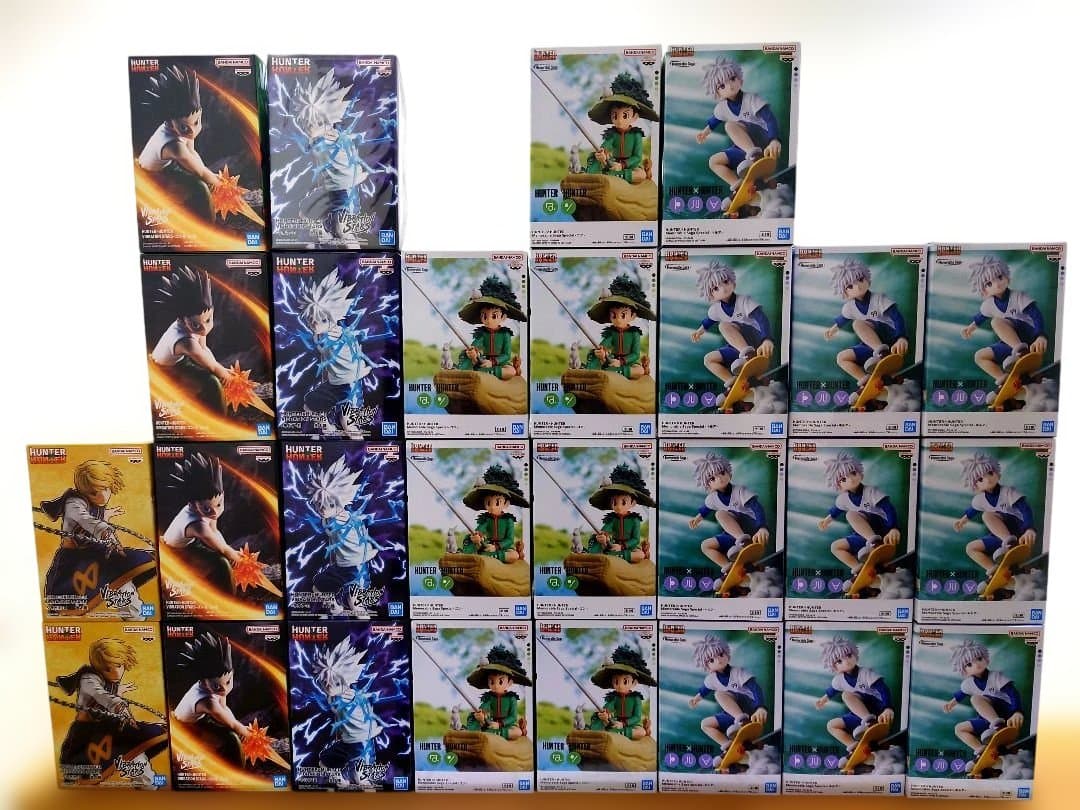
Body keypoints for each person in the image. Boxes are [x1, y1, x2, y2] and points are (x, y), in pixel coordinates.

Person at [39, 460, 156, 619]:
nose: (102, 495)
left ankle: (137, 618)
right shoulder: (73, 503)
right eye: (94, 492)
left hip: (98, 553)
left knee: (121, 577)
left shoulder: (94, 503)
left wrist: (107, 515)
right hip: (76, 560)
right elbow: (86, 520)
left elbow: (94, 518)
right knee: (71, 599)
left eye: (105, 489)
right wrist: (106, 532)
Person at [55, 637, 167, 787]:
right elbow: (100, 695)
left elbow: (105, 696)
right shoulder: (88, 678)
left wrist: (118, 692)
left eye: (119, 666)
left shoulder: (109, 682)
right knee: (76, 776)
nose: (116, 672)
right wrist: (119, 704)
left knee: (135, 753)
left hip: (110, 729)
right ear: (98, 667)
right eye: (108, 668)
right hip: (87, 734)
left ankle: (148, 786)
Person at [695, 56, 783, 211]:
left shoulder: (752, 99)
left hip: (762, 140)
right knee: (714, 161)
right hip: (743, 147)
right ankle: (739, 188)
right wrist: (704, 133)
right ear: (717, 93)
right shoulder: (722, 108)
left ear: (740, 79)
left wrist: (774, 140)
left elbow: (770, 119)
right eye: (722, 85)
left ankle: (754, 155)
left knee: (730, 125)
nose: (730, 86)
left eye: (732, 79)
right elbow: (714, 121)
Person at [137, 65, 221, 219]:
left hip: (167, 165)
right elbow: (200, 172)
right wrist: (220, 184)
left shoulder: (181, 130)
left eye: (196, 122)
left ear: (200, 112)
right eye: (184, 127)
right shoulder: (174, 147)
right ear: (170, 123)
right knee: (201, 188)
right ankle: (209, 226)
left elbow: (192, 153)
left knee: (205, 179)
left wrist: (211, 176)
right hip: (152, 176)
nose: (192, 131)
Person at [961, 255, 1047, 398]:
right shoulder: (989, 304)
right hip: (1011, 343)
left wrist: (1041, 335)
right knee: (980, 356)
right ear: (984, 291)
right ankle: (1005, 381)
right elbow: (980, 317)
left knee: (996, 322)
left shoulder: (1018, 296)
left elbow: (1036, 315)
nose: (997, 284)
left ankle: (1022, 352)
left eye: (1000, 277)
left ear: (1007, 277)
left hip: (1029, 336)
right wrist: (970, 328)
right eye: (989, 283)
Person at [823, 257, 908, 394]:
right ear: (844, 292)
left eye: (860, 279)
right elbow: (843, 319)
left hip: (890, 337)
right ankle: (868, 382)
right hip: (872, 344)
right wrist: (833, 330)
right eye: (850, 286)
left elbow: (897, 317)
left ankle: (883, 354)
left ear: (867, 279)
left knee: (858, 323)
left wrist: (901, 337)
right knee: (842, 358)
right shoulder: (850, 307)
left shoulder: (879, 299)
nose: (857, 286)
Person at [954, 452, 1036, 592]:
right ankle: (996, 573)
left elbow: (1025, 509)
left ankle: (1010, 543)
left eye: (990, 473)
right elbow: (973, 510)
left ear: (997, 473)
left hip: (1018, 530)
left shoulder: (1008, 492)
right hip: (1000, 536)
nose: (987, 479)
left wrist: (1029, 529)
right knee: (971, 548)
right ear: (976, 486)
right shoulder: (980, 499)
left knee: (987, 515)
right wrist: (963, 520)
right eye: (980, 479)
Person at [690, 261, 774, 391]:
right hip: (738, 347)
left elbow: (761, 318)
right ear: (711, 295)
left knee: (724, 326)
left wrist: (767, 339)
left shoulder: (744, 301)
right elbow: (708, 321)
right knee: (709, 359)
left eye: (725, 282)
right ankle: (735, 384)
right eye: (716, 288)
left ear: (733, 282)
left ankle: (749, 355)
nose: (723, 288)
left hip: (755, 340)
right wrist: (699, 331)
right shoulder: (716, 309)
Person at [943, 639, 1024, 773]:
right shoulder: (968, 683)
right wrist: (951, 703)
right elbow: (961, 694)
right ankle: (982, 751)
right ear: (964, 671)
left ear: (986, 658)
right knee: (959, 729)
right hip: (987, 720)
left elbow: (1013, 693)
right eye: (969, 664)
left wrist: (1017, 711)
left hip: (1004, 712)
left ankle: (998, 726)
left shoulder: (996, 676)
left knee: (975, 698)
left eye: (979, 659)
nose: (977, 664)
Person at [818, 451, 900, 581]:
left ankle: (875, 543)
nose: (851, 479)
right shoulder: (843, 499)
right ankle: (860, 570)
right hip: (863, 535)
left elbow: (888, 509)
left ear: (860, 473)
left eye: (853, 473)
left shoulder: (871, 491)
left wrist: (893, 528)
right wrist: (826, 520)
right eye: (843, 479)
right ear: (839, 485)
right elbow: (836, 510)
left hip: (881, 528)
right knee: (836, 547)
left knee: (851, 514)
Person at [814, 635, 894, 769]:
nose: (846, 661)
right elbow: (832, 691)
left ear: (855, 654)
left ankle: (870, 722)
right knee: (831, 725)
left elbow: (883, 689)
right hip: (859, 713)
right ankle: (856, 749)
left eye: (849, 655)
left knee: (846, 695)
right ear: (834, 667)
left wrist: (888, 708)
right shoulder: (839, 679)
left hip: (876, 709)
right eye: (839, 661)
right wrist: (823, 700)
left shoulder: (866, 673)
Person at [687, 452, 769, 575]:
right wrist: (697, 518)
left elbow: (757, 508)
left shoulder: (740, 491)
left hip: (751, 528)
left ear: (729, 472)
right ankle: (730, 569)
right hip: (734, 534)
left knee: (720, 514)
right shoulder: (712, 498)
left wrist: (762, 527)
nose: (719, 478)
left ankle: (744, 542)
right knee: (706, 545)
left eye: (722, 473)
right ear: (707, 484)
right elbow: (706, 508)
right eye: (712, 478)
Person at [687, 634, 767, 751]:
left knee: (719, 694)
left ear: (727, 654)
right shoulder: (711, 679)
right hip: (733, 713)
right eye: (712, 660)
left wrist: (760, 707)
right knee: (705, 724)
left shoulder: (738, 672)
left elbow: (756, 688)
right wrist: (695, 699)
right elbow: (704, 690)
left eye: (721, 655)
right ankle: (730, 747)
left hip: (749, 706)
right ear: (707, 666)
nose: (718, 660)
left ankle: (743, 721)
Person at [584, 72, 659, 184]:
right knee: (595, 158)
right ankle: (602, 175)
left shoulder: (636, 135)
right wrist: (602, 154)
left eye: (625, 115)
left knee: (641, 175)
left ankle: (617, 176)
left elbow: (637, 157)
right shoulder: (612, 134)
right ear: (611, 116)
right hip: (612, 164)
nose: (619, 120)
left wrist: (622, 165)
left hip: (629, 167)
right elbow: (605, 146)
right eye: (615, 115)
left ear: (634, 116)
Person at [584, 274, 656, 380]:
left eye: (623, 315)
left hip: (628, 364)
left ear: (632, 316)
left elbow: (635, 354)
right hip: (612, 362)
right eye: (614, 315)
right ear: (609, 316)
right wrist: (601, 353)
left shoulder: (634, 334)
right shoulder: (611, 333)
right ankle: (611, 372)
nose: (618, 319)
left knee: (639, 371)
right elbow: (603, 345)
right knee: (601, 364)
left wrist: (622, 362)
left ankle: (618, 372)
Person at [455, 277, 526, 379]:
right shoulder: (482, 334)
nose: (488, 320)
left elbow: (506, 355)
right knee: (472, 361)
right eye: (484, 316)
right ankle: (480, 372)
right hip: (484, 362)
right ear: (481, 317)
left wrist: (493, 362)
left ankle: (488, 373)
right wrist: (473, 353)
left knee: (511, 371)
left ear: (503, 317)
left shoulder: (505, 334)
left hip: (500, 364)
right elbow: (475, 346)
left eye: (494, 316)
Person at [586, 463, 655, 563]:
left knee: (640, 555)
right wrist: (603, 537)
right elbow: (605, 531)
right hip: (613, 547)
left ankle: (615, 557)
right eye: (614, 502)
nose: (618, 507)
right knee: (595, 537)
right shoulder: (612, 519)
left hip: (629, 549)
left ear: (633, 503)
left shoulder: (634, 520)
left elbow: (635, 539)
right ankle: (601, 555)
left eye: (623, 502)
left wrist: (622, 546)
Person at [460, 465, 530, 563]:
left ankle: (492, 557)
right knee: (472, 541)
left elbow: (509, 539)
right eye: (488, 503)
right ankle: (481, 555)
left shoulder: (508, 520)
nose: (492, 507)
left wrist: (497, 547)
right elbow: (480, 529)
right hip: (488, 546)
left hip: (503, 549)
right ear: (484, 504)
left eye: (497, 503)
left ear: (506, 503)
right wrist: (477, 536)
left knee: (514, 555)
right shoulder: (485, 519)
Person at [465, 644, 532, 740]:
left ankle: (496, 734)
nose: (496, 685)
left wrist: (500, 724)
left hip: (505, 726)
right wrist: (481, 715)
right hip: (491, 724)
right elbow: (484, 707)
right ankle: (489, 732)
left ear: (509, 682)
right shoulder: (488, 697)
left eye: (500, 681)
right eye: (492, 682)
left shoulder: (511, 698)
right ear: (488, 682)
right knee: (478, 722)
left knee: (517, 732)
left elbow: (513, 717)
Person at [588, 645, 655, 739]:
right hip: (615, 723)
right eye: (616, 681)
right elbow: (608, 707)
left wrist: (624, 724)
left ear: (634, 683)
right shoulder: (614, 698)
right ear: (612, 682)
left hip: (630, 725)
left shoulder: (636, 698)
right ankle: (614, 732)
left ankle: (620, 734)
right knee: (605, 724)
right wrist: (604, 714)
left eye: (625, 681)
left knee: (641, 732)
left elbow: (637, 717)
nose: (620, 685)